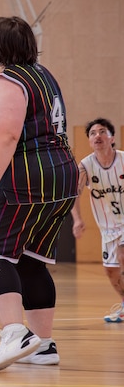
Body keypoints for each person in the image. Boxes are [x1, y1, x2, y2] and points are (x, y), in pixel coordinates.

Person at [0, 16, 78, 372]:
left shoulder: (6, 81)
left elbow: (8, 135)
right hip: (61, 175)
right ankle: (43, 345)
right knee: (31, 259)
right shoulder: (44, 76)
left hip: (26, 178)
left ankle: (15, 333)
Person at [70, 118, 124, 323]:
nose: (97, 136)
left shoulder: (123, 160)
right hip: (107, 228)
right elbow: (75, 194)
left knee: (123, 254)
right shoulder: (85, 165)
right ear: (89, 141)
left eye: (102, 131)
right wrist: (77, 220)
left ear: (112, 138)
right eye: (92, 133)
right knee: (111, 272)